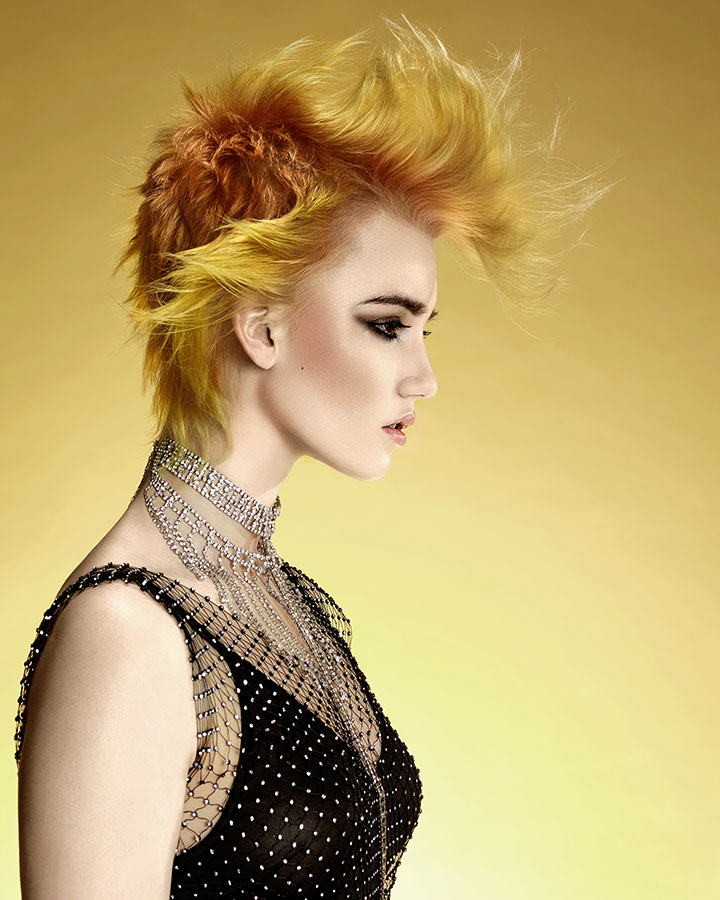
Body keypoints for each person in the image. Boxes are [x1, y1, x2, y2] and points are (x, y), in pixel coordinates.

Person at [13, 17, 602, 900]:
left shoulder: (276, 598)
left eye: (424, 330)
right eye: (387, 325)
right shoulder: (126, 632)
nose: (424, 378)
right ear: (262, 327)